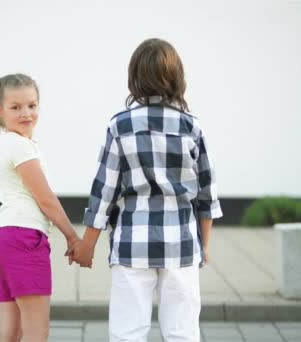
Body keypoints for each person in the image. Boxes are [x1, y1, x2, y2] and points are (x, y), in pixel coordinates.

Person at [71, 38, 223, 342]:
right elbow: (206, 195)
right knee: (183, 332)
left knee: (127, 332)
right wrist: (202, 246)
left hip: (131, 245)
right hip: (181, 245)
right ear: (178, 77)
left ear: (135, 78)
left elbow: (104, 192)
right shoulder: (192, 127)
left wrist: (86, 244)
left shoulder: (120, 126)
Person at [0, 73, 80, 342]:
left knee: (9, 330)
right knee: (36, 331)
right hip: (22, 238)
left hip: (0, 238)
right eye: (16, 107)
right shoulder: (21, 146)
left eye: (32, 105)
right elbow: (46, 199)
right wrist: (72, 237)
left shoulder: (7, 143)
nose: (26, 113)